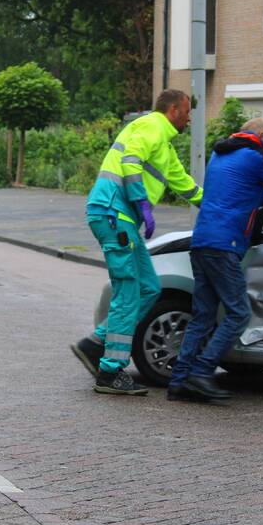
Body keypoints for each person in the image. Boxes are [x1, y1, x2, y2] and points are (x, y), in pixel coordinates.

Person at [168, 117, 263, 403]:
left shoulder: (220, 153)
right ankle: (201, 372)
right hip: (225, 245)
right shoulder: (256, 155)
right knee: (239, 314)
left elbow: (236, 194)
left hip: (202, 241)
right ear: (260, 135)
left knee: (203, 315)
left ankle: (179, 380)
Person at [71, 89, 204, 395]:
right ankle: (110, 372)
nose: (189, 116)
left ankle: (95, 344)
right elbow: (130, 160)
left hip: (120, 220)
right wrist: (141, 201)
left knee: (148, 288)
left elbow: (188, 187)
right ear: (172, 110)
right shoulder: (152, 125)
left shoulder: (165, 147)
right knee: (129, 293)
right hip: (114, 215)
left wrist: (223, 209)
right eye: (186, 111)